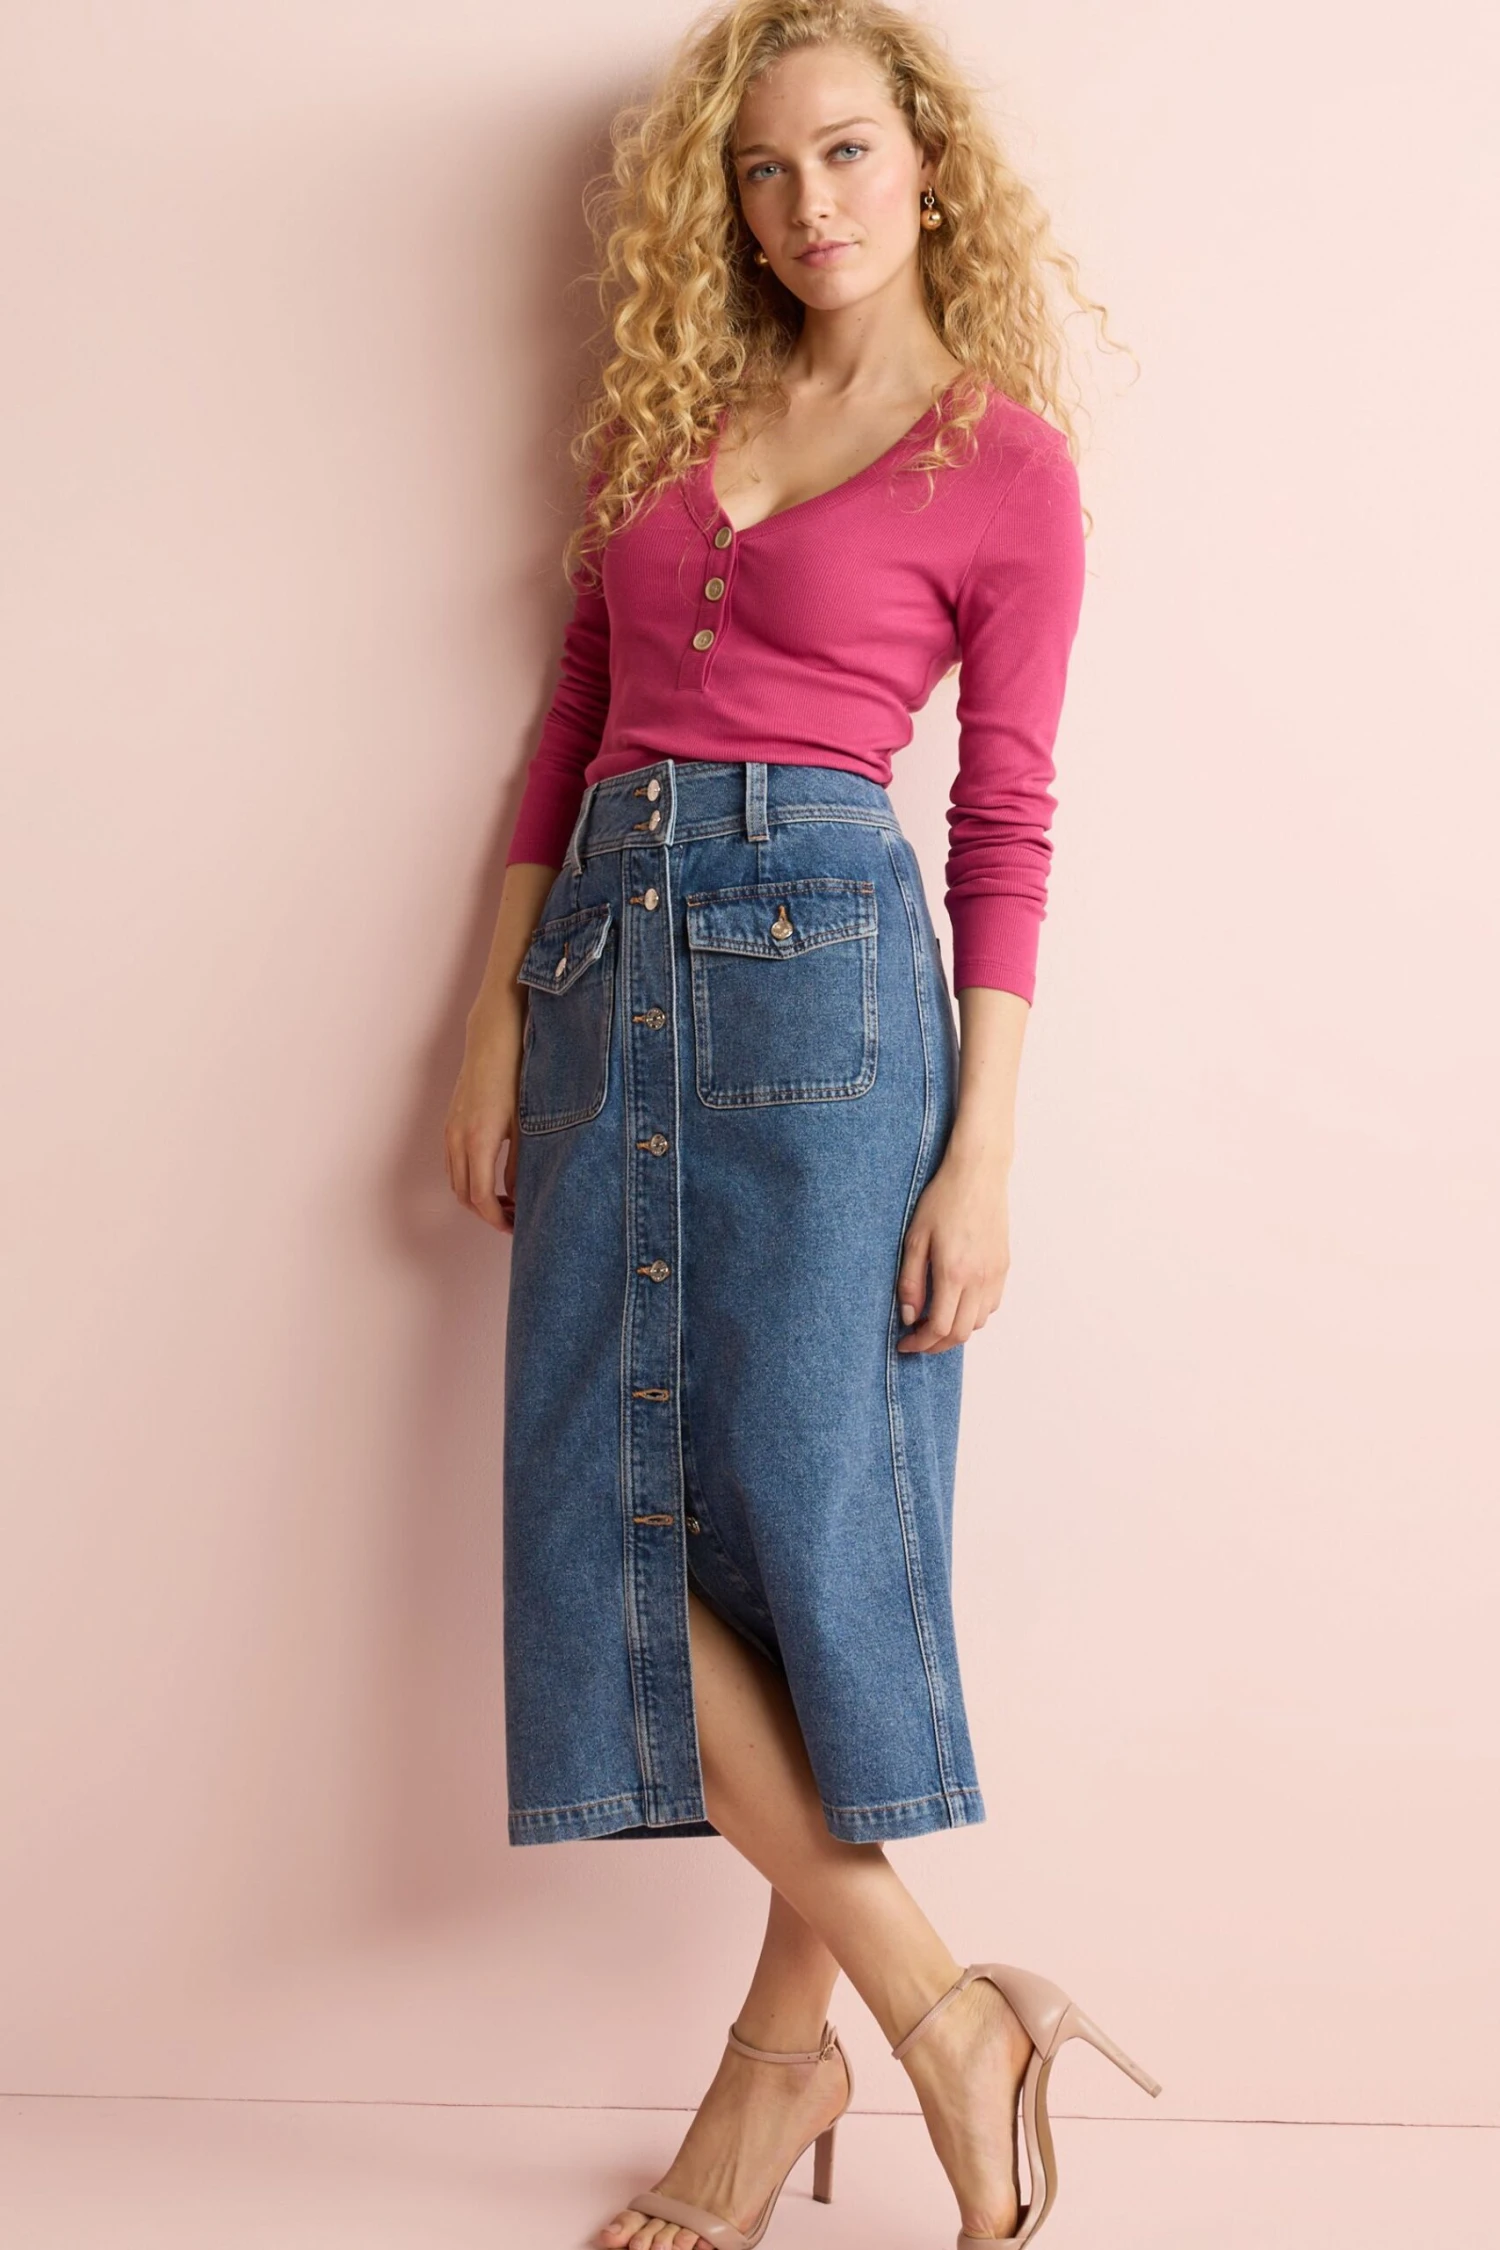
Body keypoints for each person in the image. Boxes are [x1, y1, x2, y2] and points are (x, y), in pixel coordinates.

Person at [443, 3, 1155, 2244]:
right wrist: (492, 1022)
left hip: (826, 987)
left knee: (810, 1543)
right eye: (763, 170)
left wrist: (985, 1153)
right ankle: (937, 2017)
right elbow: (576, 715)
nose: (806, 202)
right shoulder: (677, 411)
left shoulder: (1003, 464)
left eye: (844, 153)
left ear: (927, 164)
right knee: (602, 1532)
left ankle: (790, 2068)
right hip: (607, 969)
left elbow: (1008, 820)